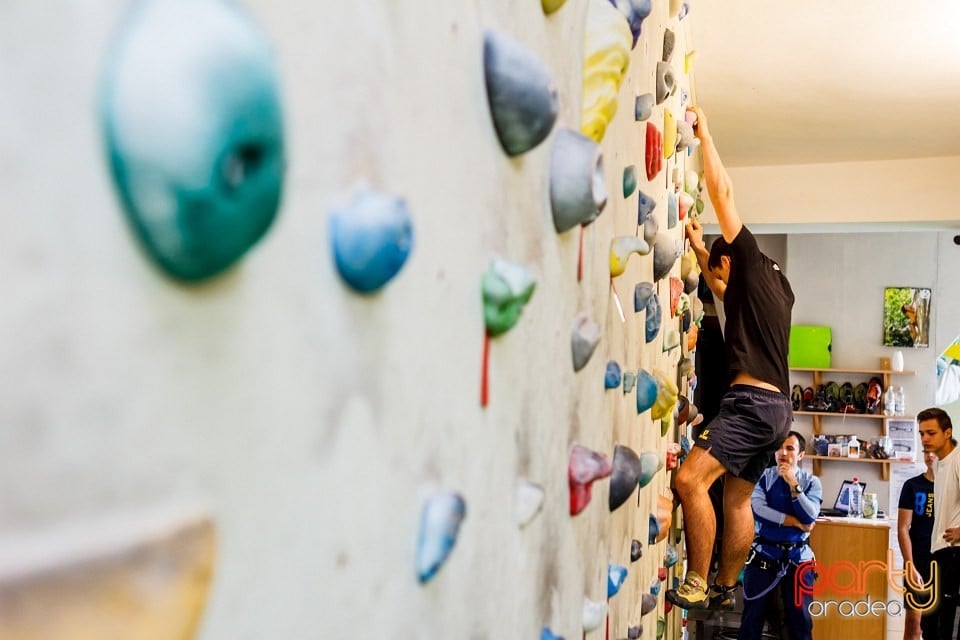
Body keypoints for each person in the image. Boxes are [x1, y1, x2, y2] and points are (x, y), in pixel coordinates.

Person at [666, 105, 796, 610]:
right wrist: (699, 251)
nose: (719, 279)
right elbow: (722, 285)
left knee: (689, 480)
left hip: (749, 404)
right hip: (777, 410)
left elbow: (722, 192)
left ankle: (697, 582)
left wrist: (706, 136)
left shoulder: (749, 257)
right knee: (737, 497)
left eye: (720, 266)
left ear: (733, 259)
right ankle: (725, 583)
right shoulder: (775, 291)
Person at [738, 431, 821, 640]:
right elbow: (757, 508)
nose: (783, 453)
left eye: (790, 448)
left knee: (800, 622)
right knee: (751, 620)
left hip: (798, 559)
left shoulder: (812, 482)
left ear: (801, 454)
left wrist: (793, 484)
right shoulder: (764, 478)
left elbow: (810, 514)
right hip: (764, 556)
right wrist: (794, 521)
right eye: (779, 447)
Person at [920, 407, 960, 639]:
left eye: (931, 433)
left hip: (954, 554)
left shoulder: (957, 459)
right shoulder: (938, 465)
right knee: (930, 628)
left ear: (947, 433)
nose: (925, 438)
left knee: (945, 629)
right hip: (938, 554)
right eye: (922, 433)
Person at [898, 450, 937, 640]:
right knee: (914, 626)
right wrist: (909, 565)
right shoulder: (912, 485)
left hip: (946, 564)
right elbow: (903, 528)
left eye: (935, 451)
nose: (930, 454)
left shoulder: (954, 486)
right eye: (926, 450)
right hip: (918, 563)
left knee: (938, 627)